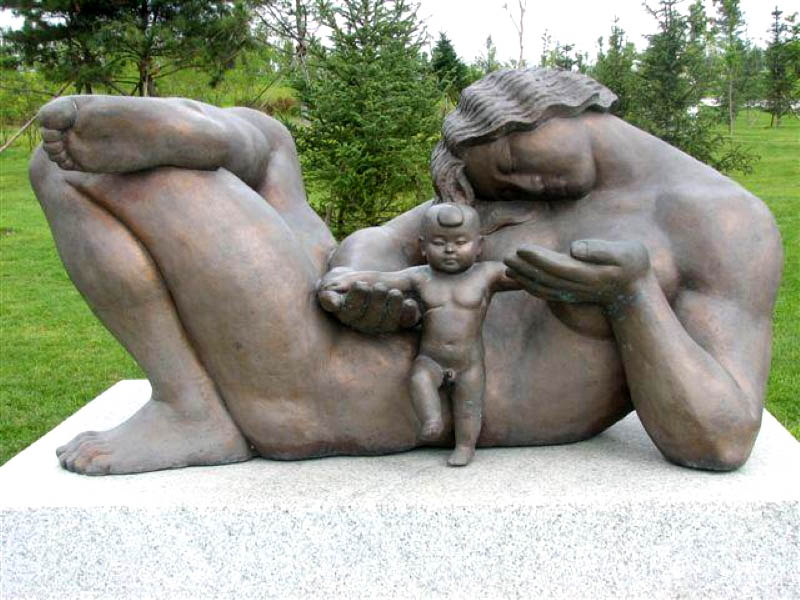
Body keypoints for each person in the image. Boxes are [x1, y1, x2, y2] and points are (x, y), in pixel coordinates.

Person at [30, 68, 781, 476]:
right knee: (270, 140)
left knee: (72, 165)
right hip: (349, 333)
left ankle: (194, 407)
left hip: (339, 388)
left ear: (544, 105)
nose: (525, 188)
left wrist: (633, 297)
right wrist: (358, 279)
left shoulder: (721, 223)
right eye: (502, 179)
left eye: (512, 160)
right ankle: (216, 134)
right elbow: (383, 238)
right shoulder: (512, 199)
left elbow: (720, 439)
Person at [320, 202, 520, 466]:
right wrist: (348, 279)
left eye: (461, 242)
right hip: (431, 358)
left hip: (468, 363)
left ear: (479, 245)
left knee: (469, 406)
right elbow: (383, 278)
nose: (450, 249)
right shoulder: (421, 277)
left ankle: (465, 446)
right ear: (423, 247)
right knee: (419, 378)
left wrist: (547, 269)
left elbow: (521, 274)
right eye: (439, 243)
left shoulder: (486, 274)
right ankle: (431, 419)